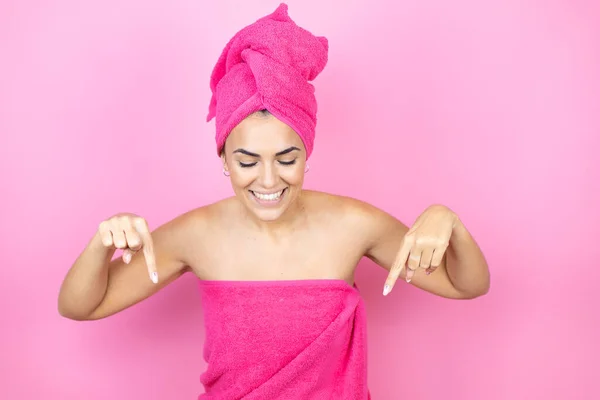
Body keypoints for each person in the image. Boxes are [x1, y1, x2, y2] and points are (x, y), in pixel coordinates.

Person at [58, 3, 490, 399]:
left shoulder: (355, 225)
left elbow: (466, 284)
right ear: (224, 157)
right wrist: (101, 243)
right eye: (247, 161)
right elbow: (80, 305)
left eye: (287, 158)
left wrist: (449, 223)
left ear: (306, 154)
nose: (268, 179)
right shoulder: (196, 234)